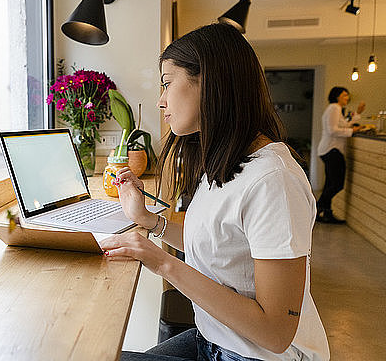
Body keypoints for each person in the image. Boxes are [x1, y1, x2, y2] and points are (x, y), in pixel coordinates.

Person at [100, 23, 329, 361]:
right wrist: (147, 219)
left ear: (210, 83)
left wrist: (162, 263)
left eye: (166, 83)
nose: (161, 101)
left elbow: (276, 332)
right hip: (215, 337)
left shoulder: (272, 180)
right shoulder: (227, 160)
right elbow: (219, 244)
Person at [316, 87, 365, 224]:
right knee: (337, 184)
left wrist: (358, 115)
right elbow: (333, 130)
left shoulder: (336, 109)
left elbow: (344, 124)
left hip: (329, 150)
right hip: (332, 150)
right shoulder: (334, 108)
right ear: (337, 96)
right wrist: (351, 130)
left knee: (330, 184)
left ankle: (326, 213)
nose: (347, 98)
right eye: (344, 95)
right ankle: (316, 208)